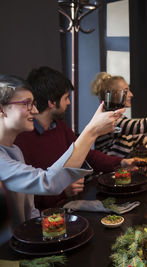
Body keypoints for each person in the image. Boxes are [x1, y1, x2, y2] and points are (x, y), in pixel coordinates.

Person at [0, 74, 119, 228]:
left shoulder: (15, 150)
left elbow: (31, 212)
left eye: (33, 103)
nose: (35, 110)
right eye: (26, 104)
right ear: (1, 109)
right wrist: (91, 131)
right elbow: (48, 182)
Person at [15, 67, 139, 210]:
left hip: (69, 207)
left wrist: (121, 162)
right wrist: (63, 190)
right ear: (51, 103)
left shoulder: (59, 126)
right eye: (66, 98)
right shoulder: (22, 141)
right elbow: (29, 196)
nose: (68, 103)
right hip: (48, 220)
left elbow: (86, 154)